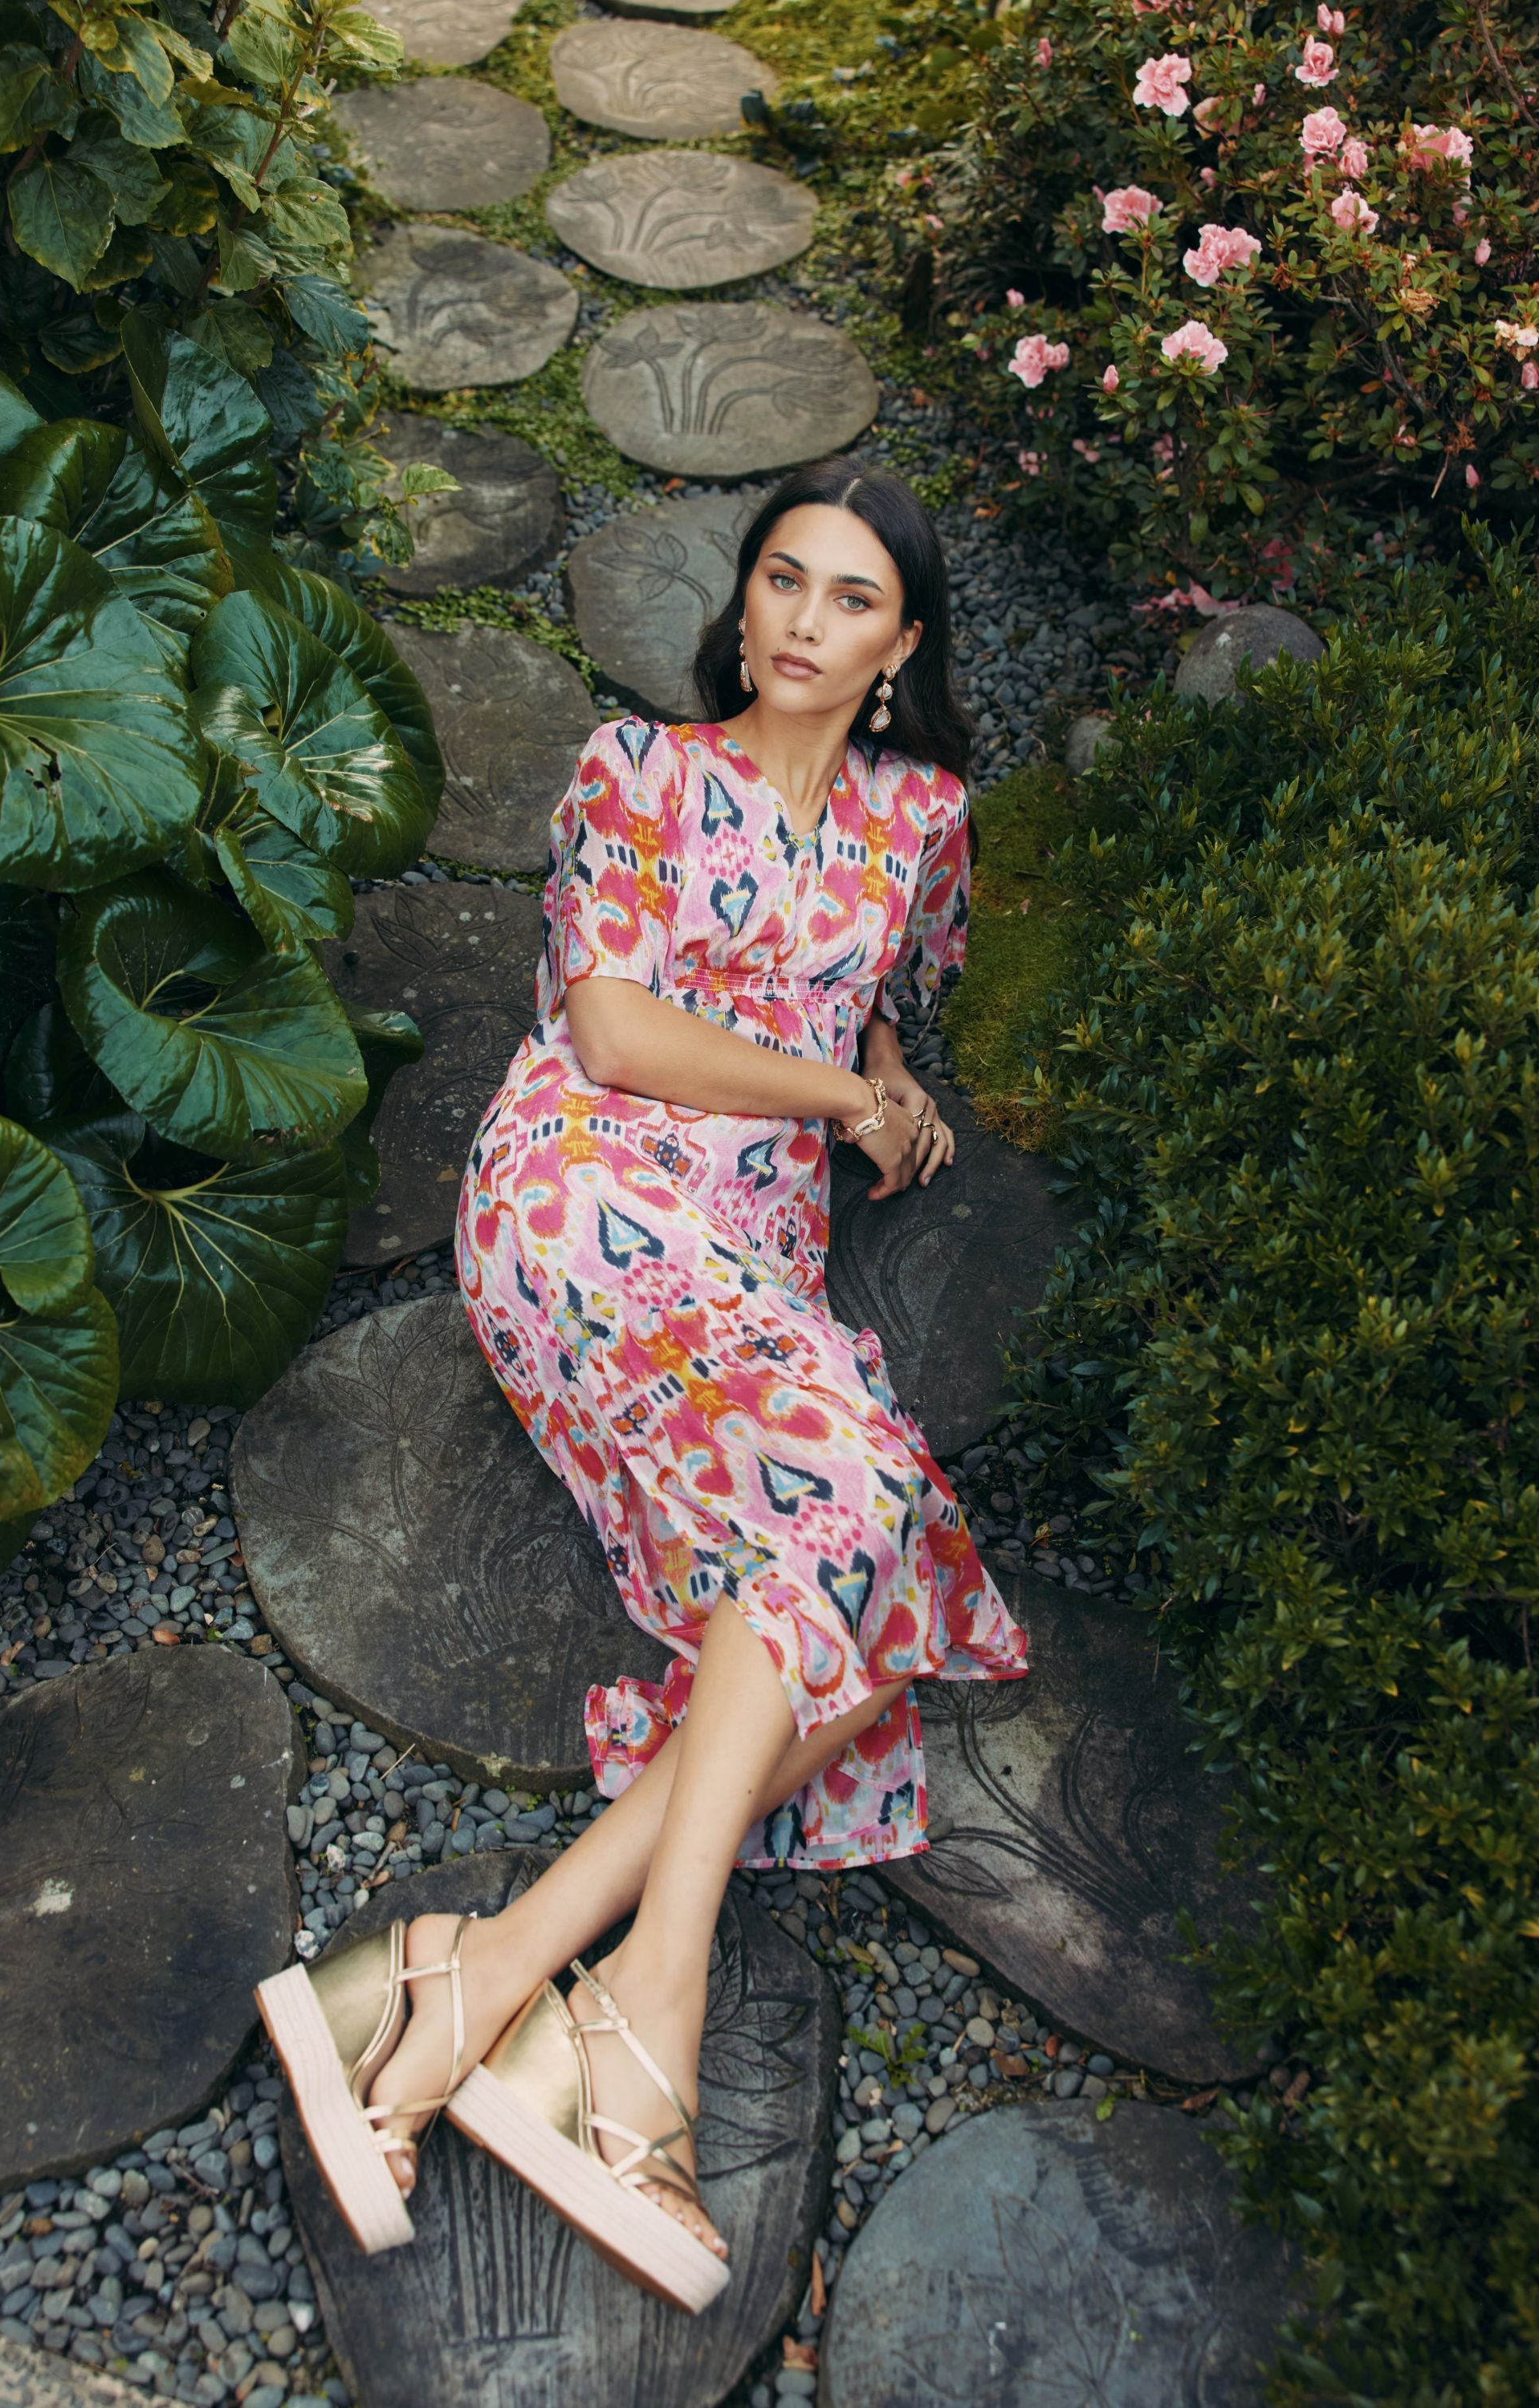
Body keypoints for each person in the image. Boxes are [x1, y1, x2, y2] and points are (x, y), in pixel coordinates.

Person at [259, 455, 1029, 2312]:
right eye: (781, 579)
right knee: (858, 1538)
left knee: (878, 1589)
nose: (801, 620)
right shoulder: (637, 775)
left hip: (747, 1246)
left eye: (850, 599)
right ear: (742, 601)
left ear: (902, 647)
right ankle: (644, 2016)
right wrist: (844, 1100)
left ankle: (476, 1974)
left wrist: (887, 1064)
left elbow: (876, 975)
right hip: (586, 1192)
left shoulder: (924, 818)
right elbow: (610, 1026)